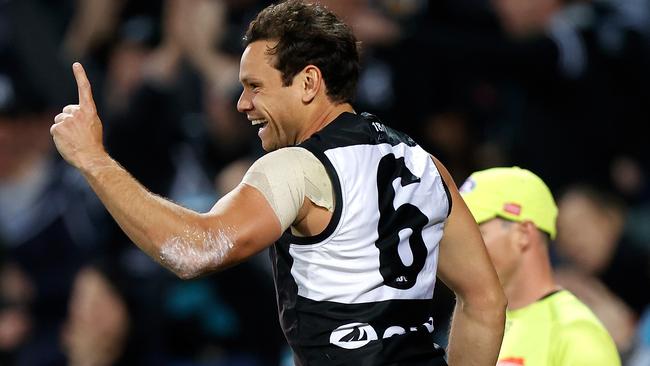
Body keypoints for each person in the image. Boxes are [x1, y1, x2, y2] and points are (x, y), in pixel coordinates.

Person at [49, 1, 506, 365]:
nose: (241, 103)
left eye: (255, 86)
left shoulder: (298, 167)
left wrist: (94, 160)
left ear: (308, 82)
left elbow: (195, 250)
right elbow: (485, 301)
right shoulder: (427, 165)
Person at [459, 166, 621, 366]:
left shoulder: (576, 334)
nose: (461, 246)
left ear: (523, 235)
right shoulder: (471, 327)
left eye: (477, 233)